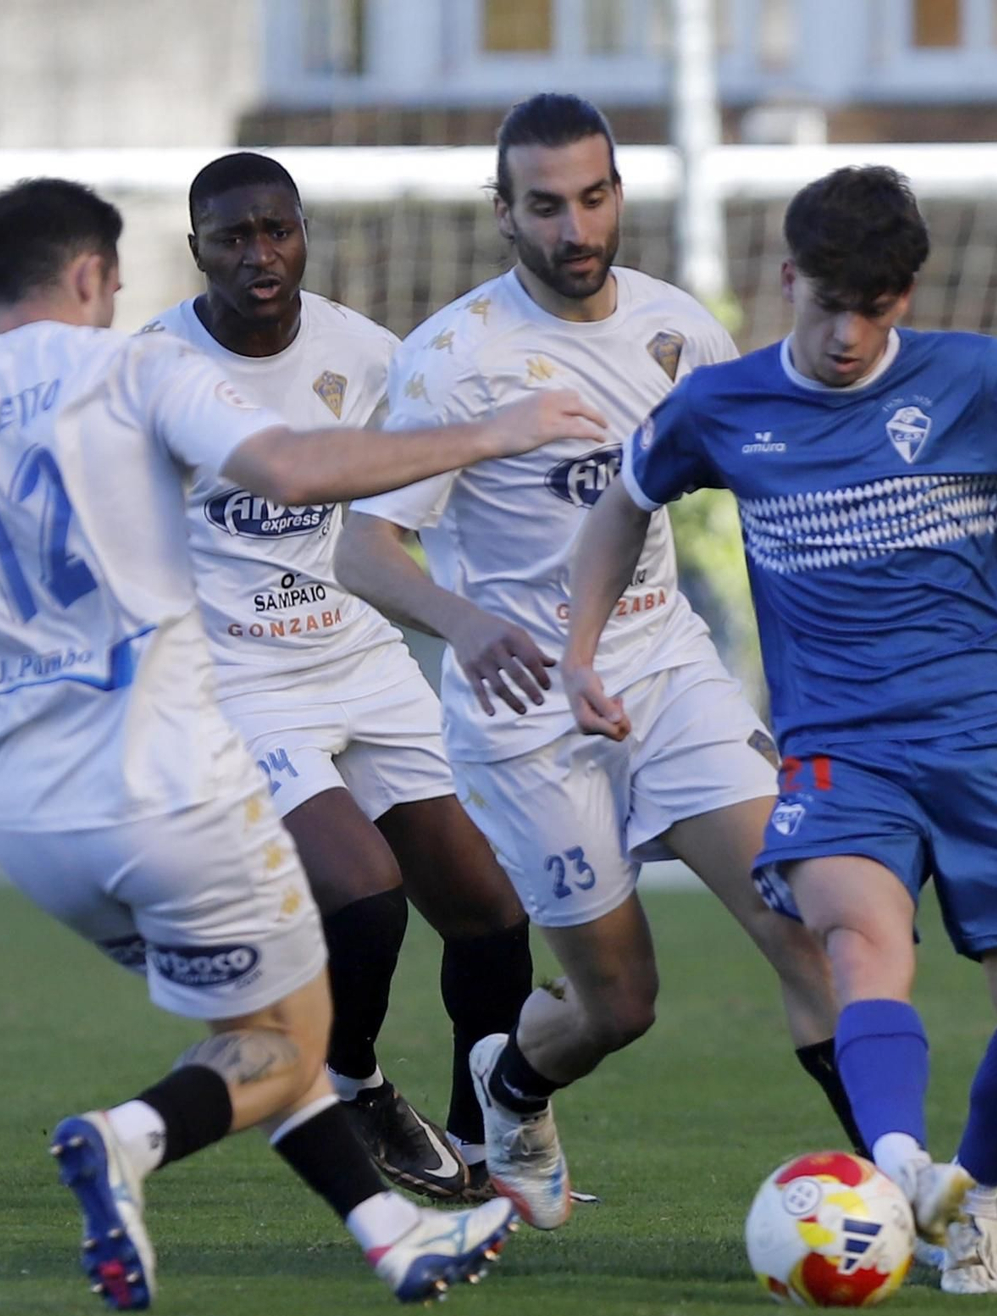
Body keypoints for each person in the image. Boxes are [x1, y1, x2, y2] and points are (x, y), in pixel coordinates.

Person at [0, 178, 607, 1308]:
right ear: (94, 273)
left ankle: (397, 1235)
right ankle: (127, 1136)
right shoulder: (135, 369)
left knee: (269, 1031)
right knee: (292, 1033)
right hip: (167, 776)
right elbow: (290, 467)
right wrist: (500, 428)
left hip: (29, 821)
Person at [565, 164, 997, 1293]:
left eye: (872, 311)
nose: (846, 336)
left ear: (904, 298)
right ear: (790, 280)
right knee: (858, 945)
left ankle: (974, 1192)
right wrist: (580, 651)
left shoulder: (972, 380)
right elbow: (625, 500)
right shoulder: (723, 409)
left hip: (994, 739)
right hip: (841, 749)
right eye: (829, 305)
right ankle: (901, 1172)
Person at [336, 93, 860, 1233]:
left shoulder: (679, 330)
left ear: (619, 193)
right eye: (545, 207)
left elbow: (764, 489)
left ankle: (902, 1187)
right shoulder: (452, 360)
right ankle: (515, 1083)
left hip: (666, 672)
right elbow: (363, 549)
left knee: (811, 933)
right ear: (502, 212)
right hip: (526, 714)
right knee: (620, 1004)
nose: (574, 230)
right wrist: (465, 625)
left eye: (592, 198)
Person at [142, 151, 535, 1201]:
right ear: (197, 250)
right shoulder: (150, 372)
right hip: (238, 682)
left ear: (303, 233)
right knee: (365, 896)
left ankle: (483, 1157)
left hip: (361, 657)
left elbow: (417, 503)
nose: (259, 255)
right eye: (232, 237)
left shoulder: (366, 356)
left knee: (492, 911)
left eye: (276, 230)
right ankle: (353, 1083)